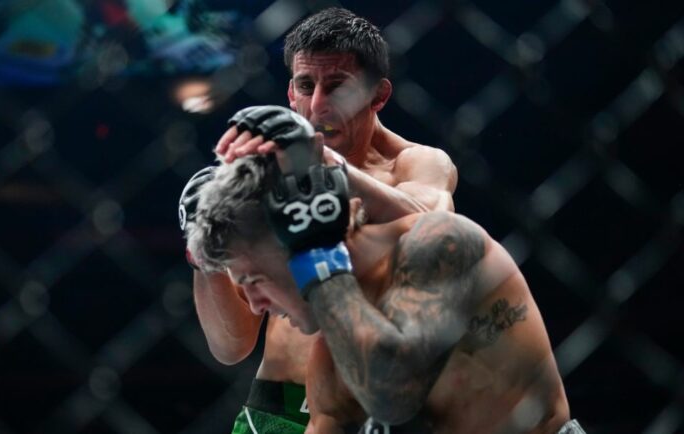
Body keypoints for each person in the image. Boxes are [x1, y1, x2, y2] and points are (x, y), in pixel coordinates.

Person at [186, 106, 583, 433]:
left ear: (297, 239)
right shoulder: (330, 356)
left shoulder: (440, 243)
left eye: (254, 280)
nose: (254, 305)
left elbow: (394, 390)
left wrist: (318, 259)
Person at [180, 8, 457, 433]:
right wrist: (205, 255)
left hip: (372, 408)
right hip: (276, 413)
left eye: (338, 87)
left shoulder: (415, 163)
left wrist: (327, 165)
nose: (317, 105)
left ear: (377, 95)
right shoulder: (268, 176)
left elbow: (435, 226)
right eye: (306, 86)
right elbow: (230, 347)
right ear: (291, 92)